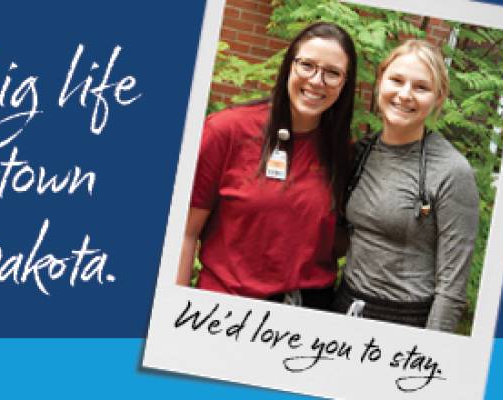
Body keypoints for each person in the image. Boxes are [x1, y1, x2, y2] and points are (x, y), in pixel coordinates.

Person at [176, 22, 357, 310]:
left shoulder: (342, 151)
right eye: (307, 65)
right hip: (225, 308)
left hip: (307, 314)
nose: (317, 80)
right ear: (289, 66)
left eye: (332, 73)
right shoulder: (226, 131)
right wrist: (172, 316)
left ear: (345, 83)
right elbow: (184, 234)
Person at [334, 40, 479, 332]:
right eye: (396, 80)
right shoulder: (361, 152)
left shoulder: (452, 171)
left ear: (438, 98)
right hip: (343, 306)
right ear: (380, 82)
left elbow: (451, 288)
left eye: (421, 87)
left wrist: (429, 351)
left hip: (405, 322)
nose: (404, 95)